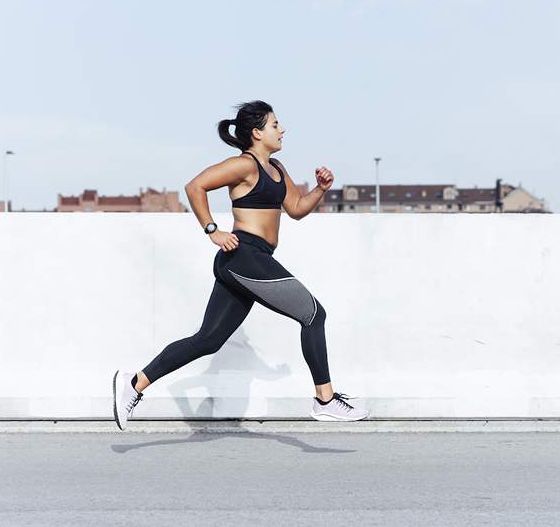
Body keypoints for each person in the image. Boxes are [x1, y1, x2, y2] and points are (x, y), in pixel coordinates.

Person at [113, 100, 369, 430]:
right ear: (257, 132)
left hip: (251, 260)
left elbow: (296, 208)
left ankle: (134, 384)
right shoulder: (245, 166)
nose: (282, 130)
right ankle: (325, 400)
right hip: (243, 255)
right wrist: (212, 230)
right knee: (313, 314)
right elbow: (195, 187)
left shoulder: (277, 169)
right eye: (276, 125)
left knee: (207, 340)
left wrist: (320, 189)